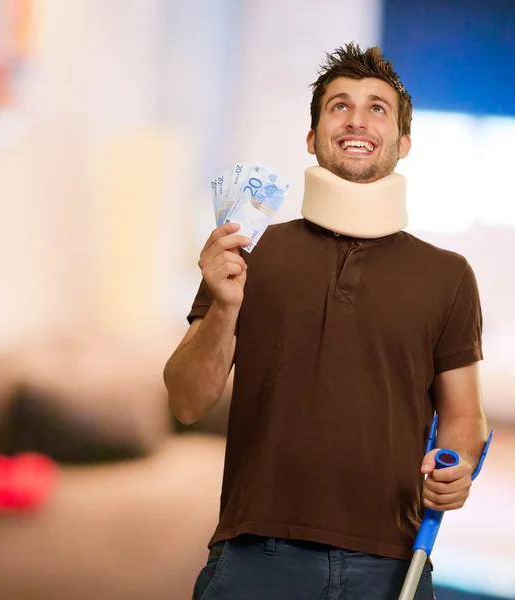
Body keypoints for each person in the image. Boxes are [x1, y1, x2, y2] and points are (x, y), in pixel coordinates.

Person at [163, 43, 488, 600]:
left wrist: (455, 472)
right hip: (253, 551)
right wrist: (223, 306)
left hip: (390, 560)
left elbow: (466, 419)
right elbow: (187, 402)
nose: (357, 119)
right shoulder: (247, 253)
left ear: (403, 144)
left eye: (377, 108)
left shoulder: (449, 275)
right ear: (313, 139)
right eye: (339, 106)